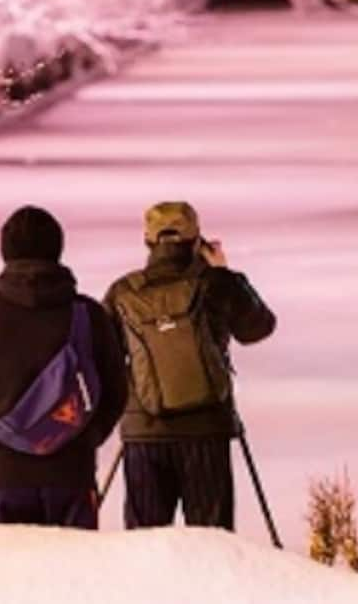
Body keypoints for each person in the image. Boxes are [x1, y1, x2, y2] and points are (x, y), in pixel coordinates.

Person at [0, 205, 128, 527]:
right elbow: (116, 390)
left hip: (3, 471)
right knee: (74, 571)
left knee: (9, 571)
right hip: (72, 470)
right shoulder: (88, 315)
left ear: (5, 251)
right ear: (58, 249)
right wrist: (84, 436)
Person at [104, 201, 276, 531]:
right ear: (197, 239)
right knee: (211, 543)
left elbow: (102, 354)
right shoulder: (215, 283)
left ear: (148, 241)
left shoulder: (123, 292)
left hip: (145, 433)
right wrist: (224, 273)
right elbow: (259, 327)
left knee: (145, 546)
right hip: (206, 429)